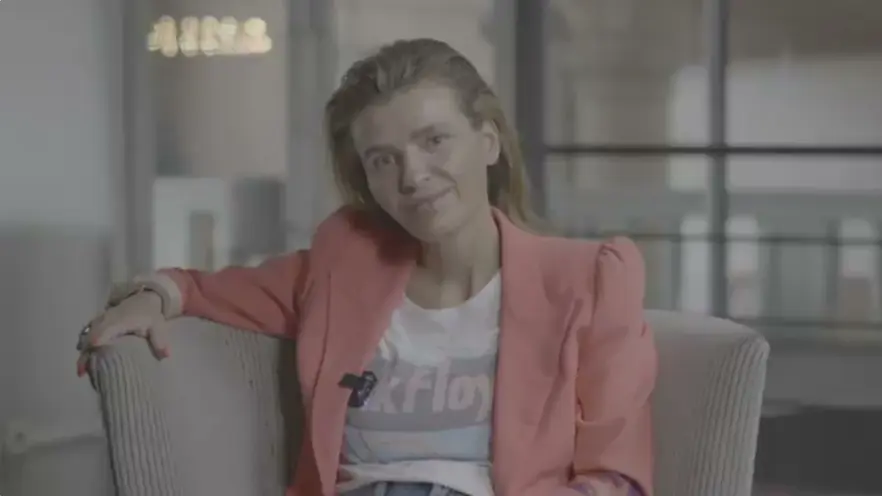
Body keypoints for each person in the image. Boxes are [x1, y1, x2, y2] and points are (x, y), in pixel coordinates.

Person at [77, 38, 656, 496]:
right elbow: (204, 289)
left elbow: (616, 477)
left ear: (488, 142)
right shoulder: (345, 261)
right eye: (384, 160)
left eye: (434, 140)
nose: (413, 176)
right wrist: (152, 296)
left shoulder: (590, 279)